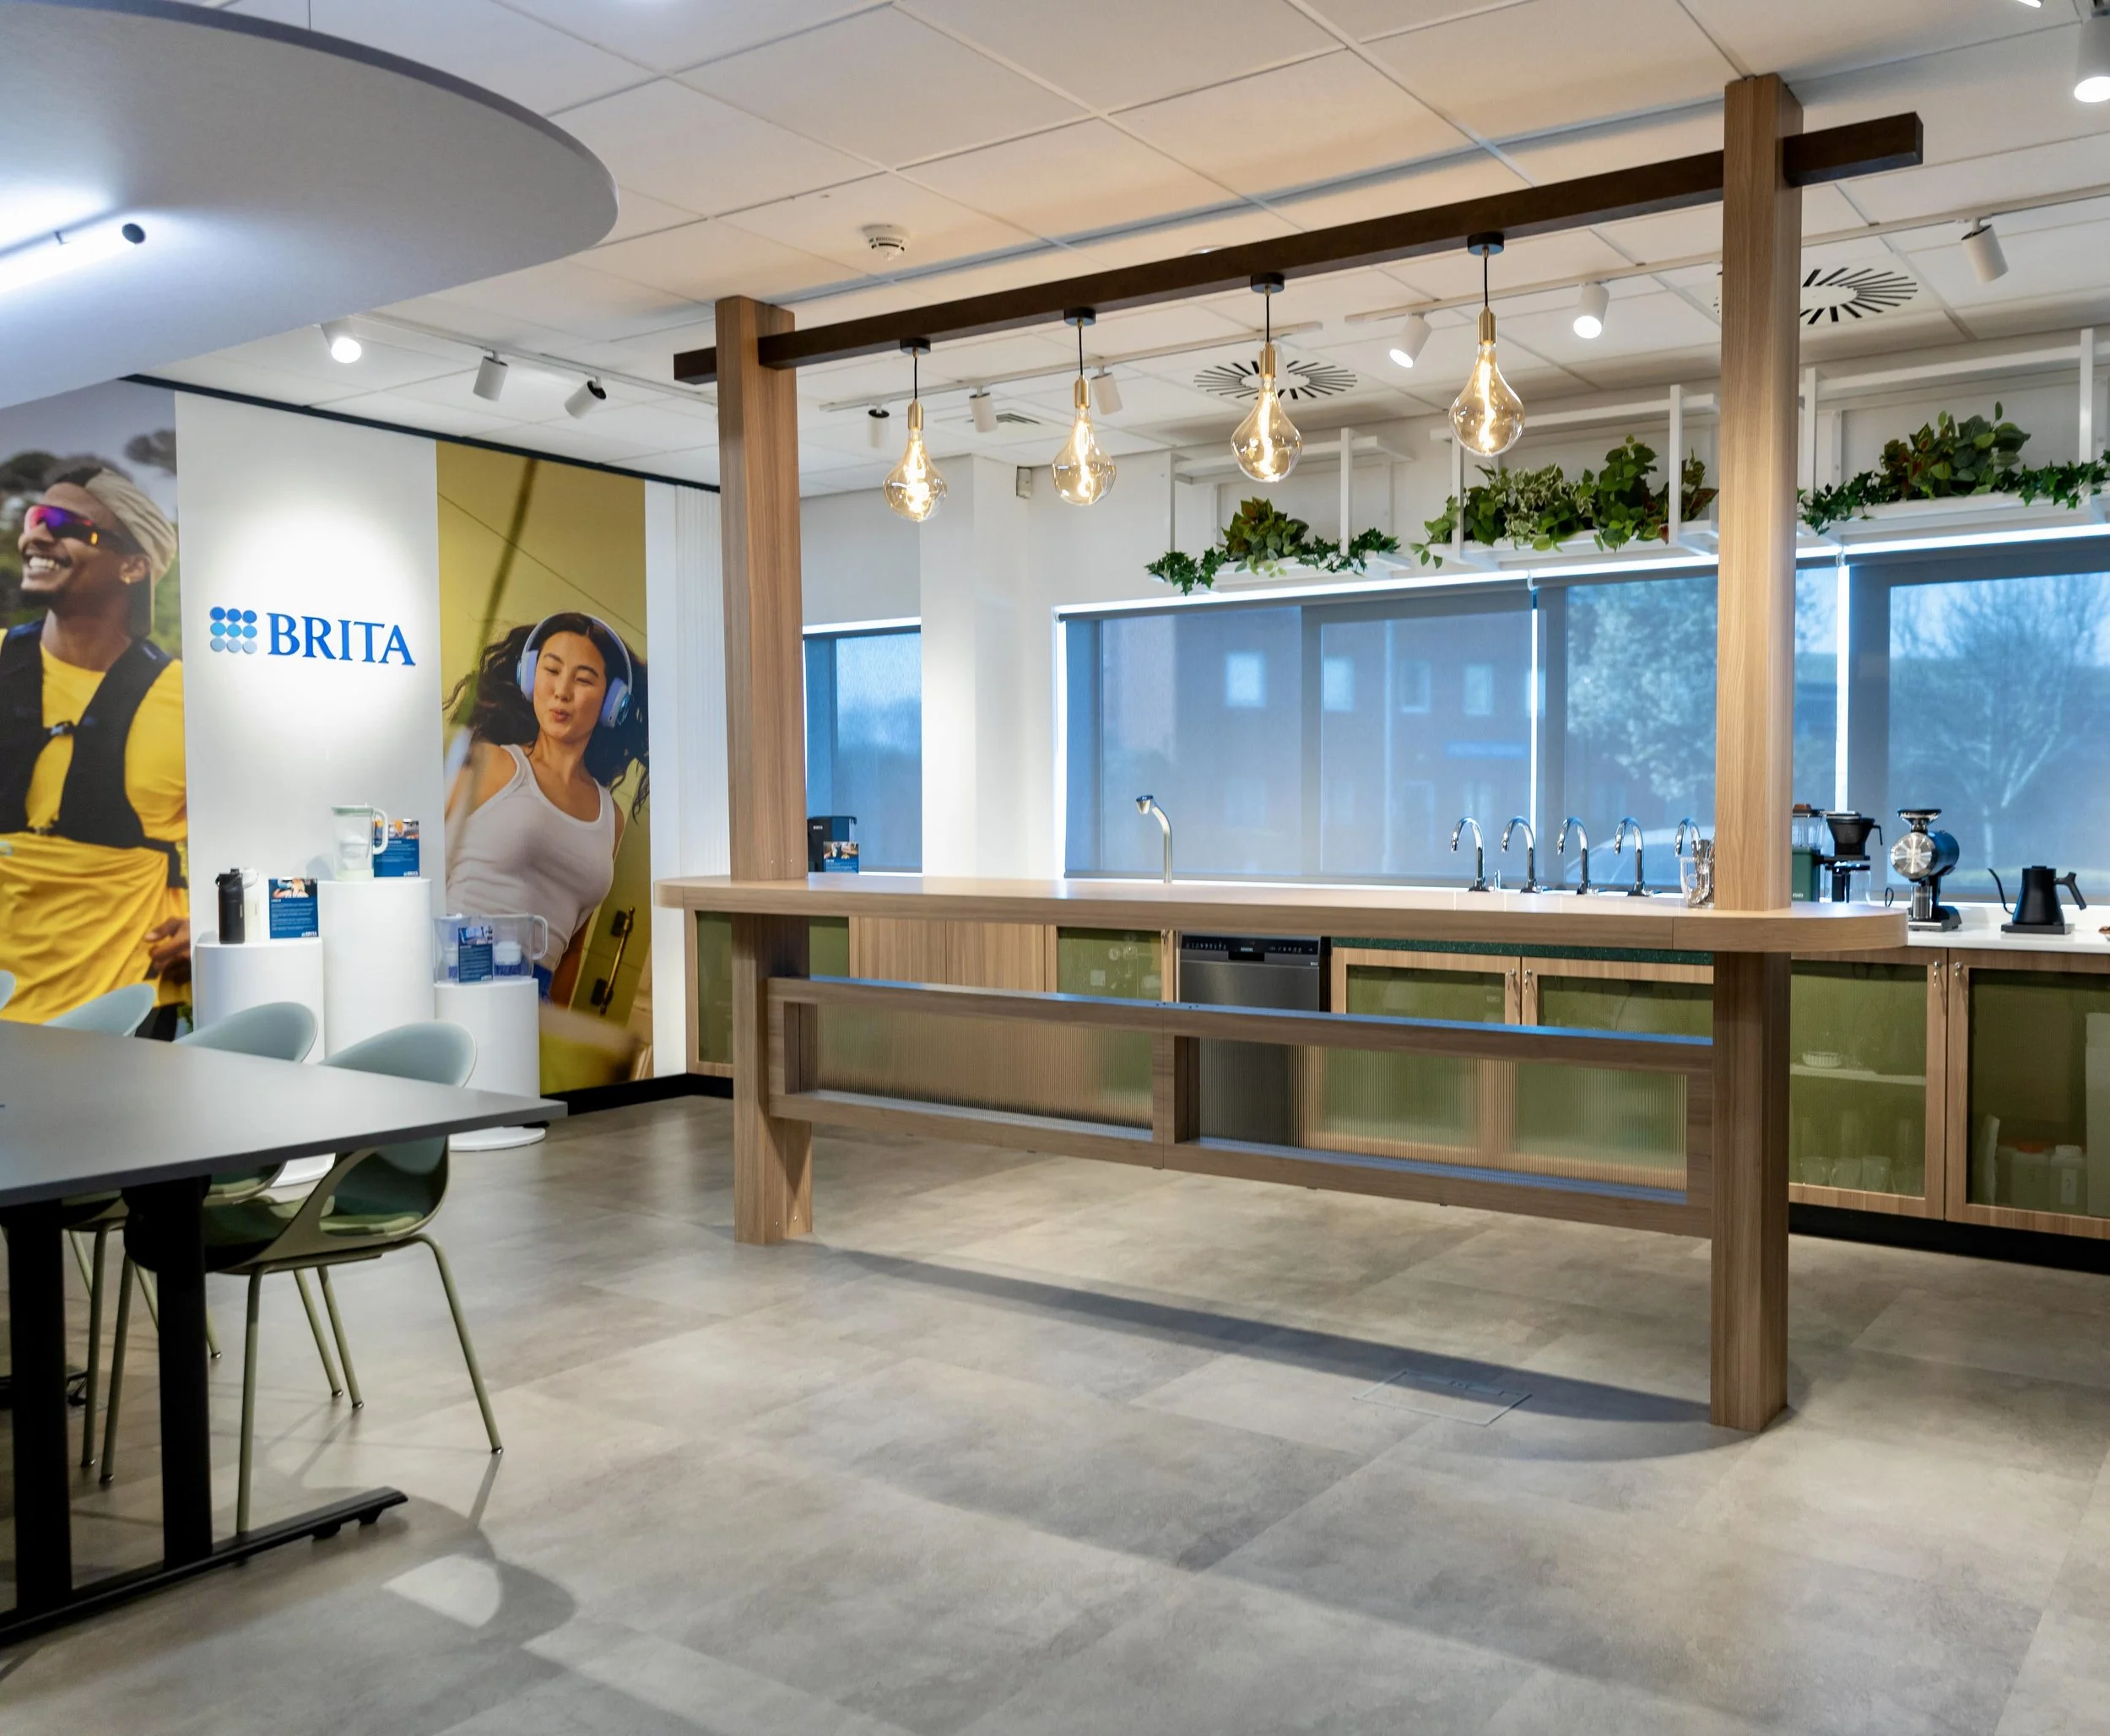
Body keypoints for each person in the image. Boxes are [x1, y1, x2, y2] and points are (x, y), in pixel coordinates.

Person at [0, 467, 186, 1023]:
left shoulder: (187, 700)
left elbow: (251, 838)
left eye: (64, 524)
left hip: (119, 1017)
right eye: (36, 518)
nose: (37, 535)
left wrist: (208, 918)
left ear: (133, 566)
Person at [444, 612, 647, 1003]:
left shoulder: (611, 819)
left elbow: (571, 949)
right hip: (461, 977)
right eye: (551, 670)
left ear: (612, 703)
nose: (562, 691)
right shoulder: (487, 762)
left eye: (583, 679)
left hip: (536, 999)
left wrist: (555, 1029)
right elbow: (424, 878)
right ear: (529, 676)